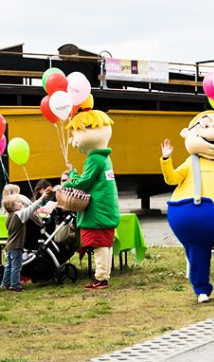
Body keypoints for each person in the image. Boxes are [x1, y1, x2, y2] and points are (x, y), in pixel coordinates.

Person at [161, 111, 214, 303]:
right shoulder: (191, 162)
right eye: (206, 126)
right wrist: (166, 159)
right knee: (198, 256)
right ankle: (201, 289)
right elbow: (172, 179)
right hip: (195, 219)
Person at [62, 108, 120, 291]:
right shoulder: (104, 158)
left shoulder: (94, 158)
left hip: (97, 209)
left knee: (99, 245)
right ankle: (103, 275)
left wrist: (69, 181)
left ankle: (101, 277)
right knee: (105, 244)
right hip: (107, 208)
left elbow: (85, 182)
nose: (73, 140)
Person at [0, 189, 50, 291]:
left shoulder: (9, 216)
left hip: (9, 245)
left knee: (8, 266)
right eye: (18, 202)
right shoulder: (19, 215)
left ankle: (4, 284)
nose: (21, 203)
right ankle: (15, 285)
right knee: (16, 267)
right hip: (16, 246)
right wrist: (41, 197)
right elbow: (31, 208)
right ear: (12, 206)